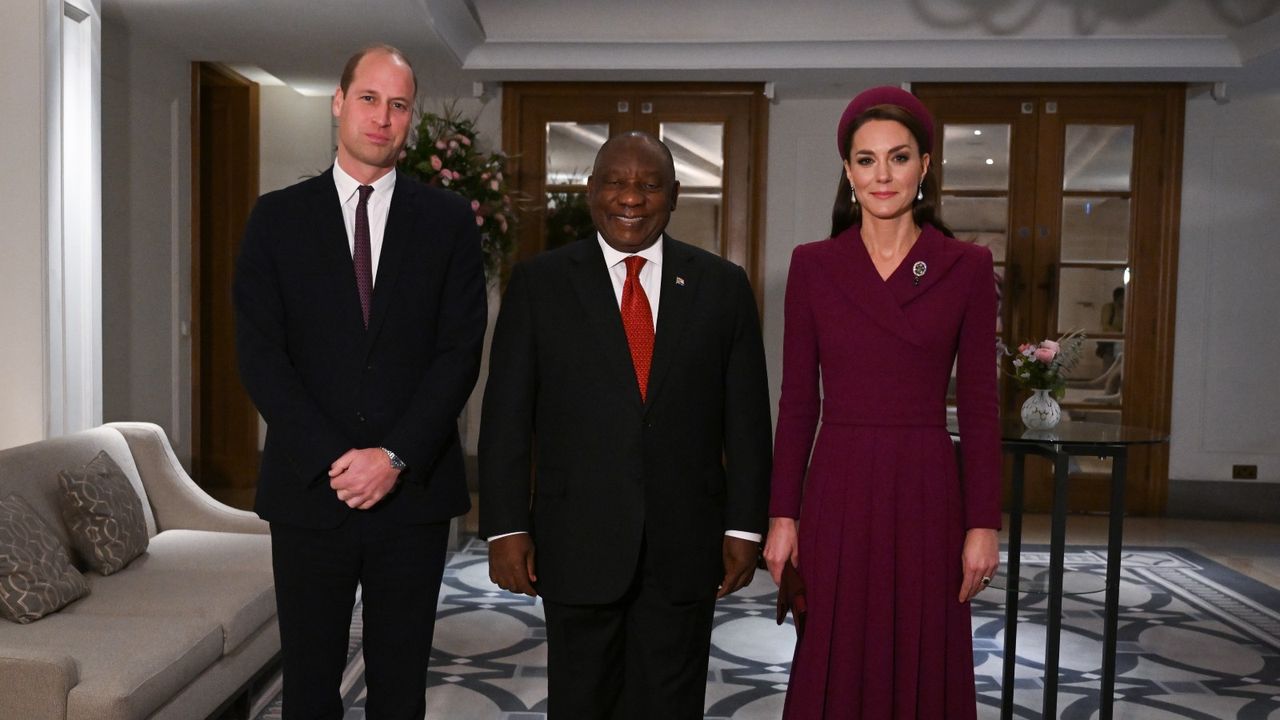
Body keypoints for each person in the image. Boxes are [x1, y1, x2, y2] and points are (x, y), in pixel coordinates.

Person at [478, 131, 772, 719]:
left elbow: (747, 419)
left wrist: (744, 527)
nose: (630, 198)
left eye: (648, 184)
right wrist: (505, 527)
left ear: (675, 195)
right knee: (581, 701)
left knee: (671, 703)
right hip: (574, 541)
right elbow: (506, 416)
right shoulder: (540, 285)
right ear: (590, 192)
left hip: (685, 543)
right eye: (615, 181)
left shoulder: (722, 287)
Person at [234, 44, 486, 720]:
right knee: (310, 685)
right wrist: (335, 460)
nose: (383, 117)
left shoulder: (449, 223)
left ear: (412, 118)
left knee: (400, 685)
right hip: (310, 491)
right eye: (369, 99)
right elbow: (261, 355)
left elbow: (460, 353)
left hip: (415, 492)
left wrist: (394, 456)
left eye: (399, 104)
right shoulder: (276, 220)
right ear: (339, 103)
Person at [763, 86, 1002, 719]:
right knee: (836, 645)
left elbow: (980, 405)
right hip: (838, 481)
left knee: (924, 645)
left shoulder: (966, 267)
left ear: (925, 165)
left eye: (898, 157)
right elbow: (796, 402)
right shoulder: (814, 265)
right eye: (866, 160)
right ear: (847, 170)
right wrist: (783, 514)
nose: (882, 175)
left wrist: (983, 523)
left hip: (926, 485)